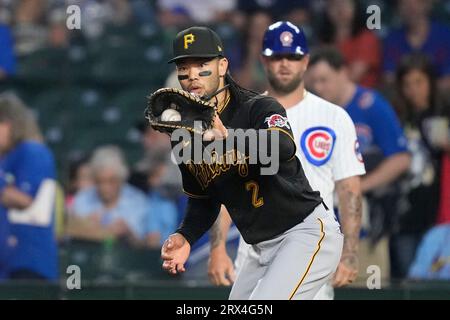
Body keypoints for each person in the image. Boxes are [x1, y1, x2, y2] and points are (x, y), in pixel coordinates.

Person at [160, 26, 343, 300]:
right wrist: (186, 235)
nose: (193, 75)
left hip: (304, 232)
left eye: (202, 64)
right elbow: (204, 198)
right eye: (185, 67)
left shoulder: (258, 107)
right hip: (259, 249)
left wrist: (230, 137)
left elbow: (282, 146)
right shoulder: (187, 133)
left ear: (222, 66)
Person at [207, 21, 365, 300]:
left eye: (292, 56)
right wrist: (218, 248)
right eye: (276, 56)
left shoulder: (333, 116)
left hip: (307, 249)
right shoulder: (242, 117)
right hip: (254, 252)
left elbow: (349, 189)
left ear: (305, 61)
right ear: (263, 60)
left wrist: (350, 252)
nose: (284, 64)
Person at [391, 53, 450, 279]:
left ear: (430, 83)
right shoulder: (395, 119)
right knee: (408, 281)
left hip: (438, 212)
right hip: (403, 215)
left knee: (435, 280)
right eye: (407, 84)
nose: (413, 90)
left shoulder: (443, 114)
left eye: (419, 82)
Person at [0, 93, 58, 280]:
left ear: (8, 124)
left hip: (29, 262)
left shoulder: (32, 151)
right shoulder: (8, 157)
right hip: (8, 262)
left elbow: (25, 200)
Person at [68, 146, 148, 245]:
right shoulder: (82, 198)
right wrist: (85, 225)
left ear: (121, 179)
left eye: (112, 181)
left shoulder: (137, 201)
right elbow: (70, 231)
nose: (105, 188)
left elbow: (144, 244)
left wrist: (127, 232)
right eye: (100, 181)